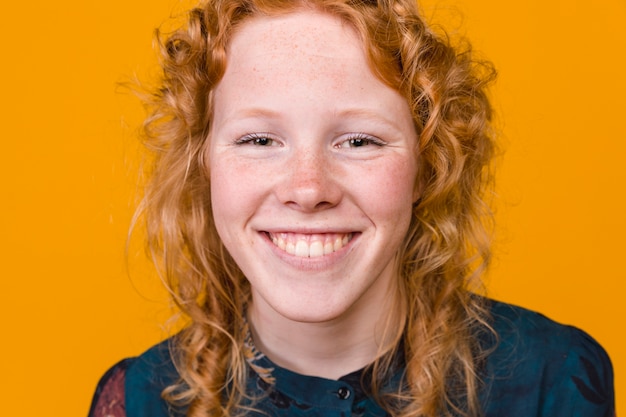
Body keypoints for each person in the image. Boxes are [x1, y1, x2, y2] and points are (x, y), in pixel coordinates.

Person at [88, 1, 615, 416]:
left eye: (360, 141)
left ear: (425, 167)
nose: (308, 188)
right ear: (204, 167)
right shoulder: (138, 400)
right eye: (258, 139)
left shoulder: (554, 377)